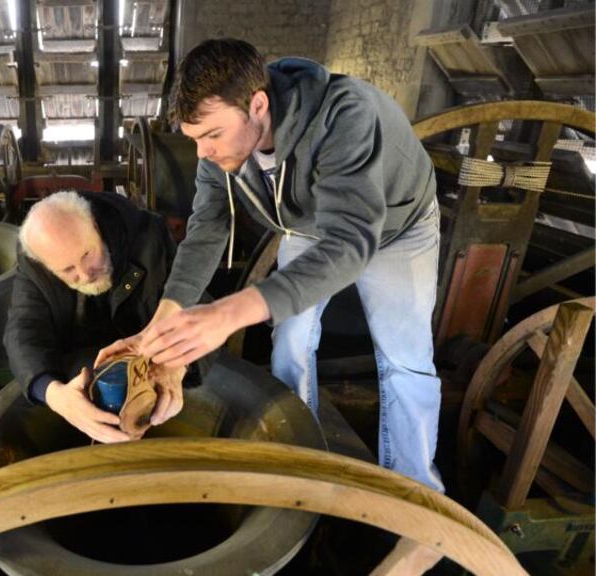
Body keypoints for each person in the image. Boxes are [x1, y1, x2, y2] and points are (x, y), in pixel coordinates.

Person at [99, 38, 444, 493]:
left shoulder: (347, 116)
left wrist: (227, 313)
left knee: (404, 359)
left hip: (395, 229)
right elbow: (208, 227)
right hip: (308, 226)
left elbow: (351, 243)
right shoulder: (219, 150)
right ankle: (297, 456)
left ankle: (416, 492)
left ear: (258, 105)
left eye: (212, 135)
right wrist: (168, 315)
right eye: (194, 138)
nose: (202, 153)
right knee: (290, 340)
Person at [4, 190, 208, 443]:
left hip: (154, 365)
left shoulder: (148, 235)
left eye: (87, 255)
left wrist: (179, 362)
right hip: (81, 373)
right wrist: (54, 394)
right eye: (68, 270)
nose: (85, 274)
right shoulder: (36, 262)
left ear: (96, 225)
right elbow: (23, 332)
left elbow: (198, 304)